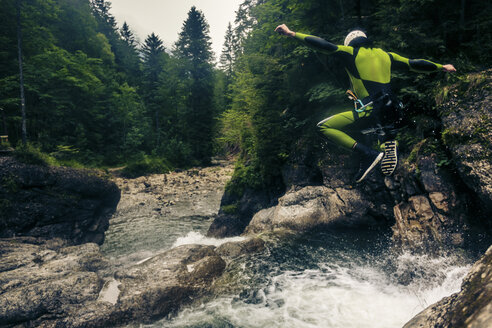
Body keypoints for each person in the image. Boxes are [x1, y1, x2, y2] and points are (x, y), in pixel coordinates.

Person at [275, 24, 456, 182]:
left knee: (324, 127)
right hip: (395, 111)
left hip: (371, 111)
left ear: (349, 43)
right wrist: (442, 67)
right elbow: (415, 63)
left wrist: (292, 33)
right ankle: (387, 141)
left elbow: (324, 45)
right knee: (376, 121)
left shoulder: (351, 52)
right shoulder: (387, 55)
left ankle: (368, 154)